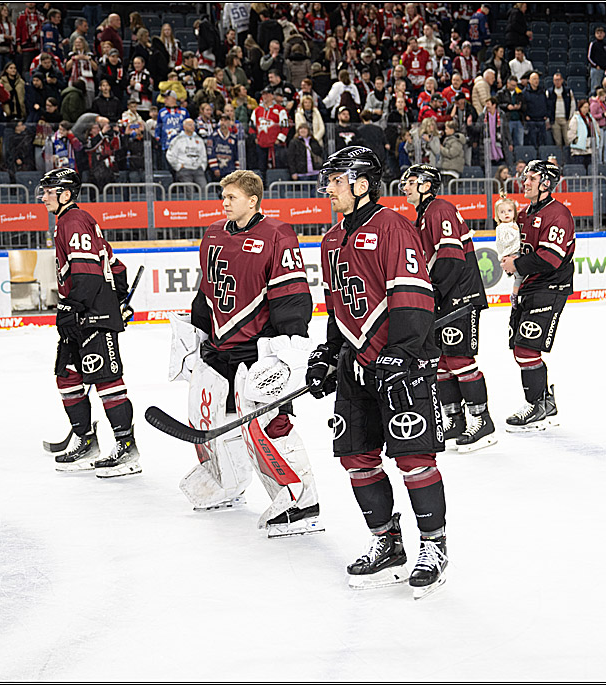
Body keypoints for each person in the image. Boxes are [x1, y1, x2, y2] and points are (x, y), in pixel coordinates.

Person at [307, 146, 448, 599]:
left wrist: (402, 353)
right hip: (355, 364)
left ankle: (434, 545)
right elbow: (338, 307)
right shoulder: (332, 239)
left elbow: (413, 293)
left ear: (362, 184)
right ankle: (387, 543)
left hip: (399, 361)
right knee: (356, 456)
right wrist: (328, 355)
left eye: (336, 180)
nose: (328, 188)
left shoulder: (393, 226)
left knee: (412, 457)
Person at [169, 170, 320, 536]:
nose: (225, 202)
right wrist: (198, 334)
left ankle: (302, 502)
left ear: (253, 200)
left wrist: (287, 349)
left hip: (257, 348)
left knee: (269, 424)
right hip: (221, 347)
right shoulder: (213, 235)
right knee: (215, 420)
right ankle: (228, 483)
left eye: (232, 197)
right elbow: (206, 290)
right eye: (223, 196)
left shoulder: (276, 234)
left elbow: (292, 295)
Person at [39, 168, 139, 478]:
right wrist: (119, 297)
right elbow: (115, 266)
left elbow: (86, 272)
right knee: (67, 376)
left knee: (106, 380)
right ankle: (86, 441)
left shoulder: (73, 220)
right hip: (87, 311)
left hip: (90, 315)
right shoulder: (75, 221)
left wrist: (72, 307)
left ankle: (127, 448)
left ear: (65, 194)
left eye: (49, 191)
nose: (43, 197)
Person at [400, 164, 496, 452]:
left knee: (459, 360)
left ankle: (482, 421)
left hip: (459, 299)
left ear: (427, 185)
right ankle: (455, 419)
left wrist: (434, 293)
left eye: (412, 181)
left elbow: (451, 258)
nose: (405, 186)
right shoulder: (424, 214)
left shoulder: (439, 208)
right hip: (446, 299)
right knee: (441, 362)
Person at [499, 160, 574, 431]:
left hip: (551, 287)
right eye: (525, 177)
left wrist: (516, 265)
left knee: (526, 348)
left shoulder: (559, 214)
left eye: (531, 178)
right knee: (519, 348)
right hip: (530, 286)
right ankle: (544, 401)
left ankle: (535, 406)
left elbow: (551, 258)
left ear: (545, 183)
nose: (524, 182)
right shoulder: (526, 213)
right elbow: (526, 250)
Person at [166, 118, 208, 188]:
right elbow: (170, 155)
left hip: (198, 169)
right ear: (184, 127)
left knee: (205, 188)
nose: (192, 127)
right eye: (189, 125)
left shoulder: (199, 139)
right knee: (189, 190)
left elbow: (203, 155)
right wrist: (178, 166)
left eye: (193, 125)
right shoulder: (177, 139)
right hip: (184, 169)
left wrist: (202, 166)